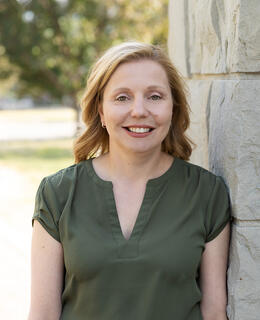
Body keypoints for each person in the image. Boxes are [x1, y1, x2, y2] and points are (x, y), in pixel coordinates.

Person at [28, 41, 232, 320]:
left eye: (155, 96)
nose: (139, 110)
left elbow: (214, 313)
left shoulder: (207, 193)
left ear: (173, 108)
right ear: (101, 110)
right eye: (122, 97)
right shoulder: (58, 193)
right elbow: (42, 314)